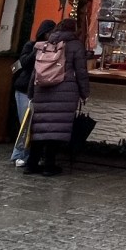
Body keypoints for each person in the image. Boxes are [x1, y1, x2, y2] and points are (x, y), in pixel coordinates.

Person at [26, 17, 90, 176]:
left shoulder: (45, 44)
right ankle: (49, 166)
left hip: (42, 89)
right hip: (64, 91)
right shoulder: (75, 45)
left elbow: (36, 70)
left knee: (39, 128)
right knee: (55, 129)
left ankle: (31, 164)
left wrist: (31, 92)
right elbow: (81, 72)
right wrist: (85, 93)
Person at [10, 18, 57, 167]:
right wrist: (37, 49)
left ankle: (26, 155)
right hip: (24, 89)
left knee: (34, 124)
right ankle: (20, 155)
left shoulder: (54, 48)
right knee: (25, 123)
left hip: (39, 90)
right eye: (49, 33)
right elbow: (24, 63)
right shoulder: (30, 45)